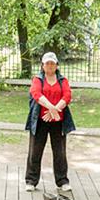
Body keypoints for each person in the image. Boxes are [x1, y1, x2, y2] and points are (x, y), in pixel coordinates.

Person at [25, 52, 75, 192]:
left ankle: (62, 181)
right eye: (47, 63)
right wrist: (52, 108)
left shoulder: (62, 80)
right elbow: (36, 94)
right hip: (40, 120)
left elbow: (67, 95)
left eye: (52, 63)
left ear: (57, 65)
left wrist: (55, 110)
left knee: (60, 152)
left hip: (58, 121)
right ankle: (31, 181)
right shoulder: (38, 79)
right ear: (42, 65)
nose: (50, 66)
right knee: (35, 151)